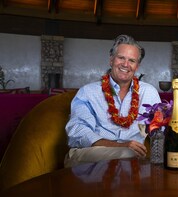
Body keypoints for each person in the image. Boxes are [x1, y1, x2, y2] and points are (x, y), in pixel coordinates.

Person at [64, 34, 161, 168]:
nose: (125, 64)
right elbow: (78, 132)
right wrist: (120, 146)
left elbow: (159, 129)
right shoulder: (88, 92)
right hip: (90, 154)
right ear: (111, 60)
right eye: (121, 58)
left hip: (132, 158)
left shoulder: (149, 93)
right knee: (129, 155)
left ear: (137, 66)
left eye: (132, 60)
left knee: (133, 157)